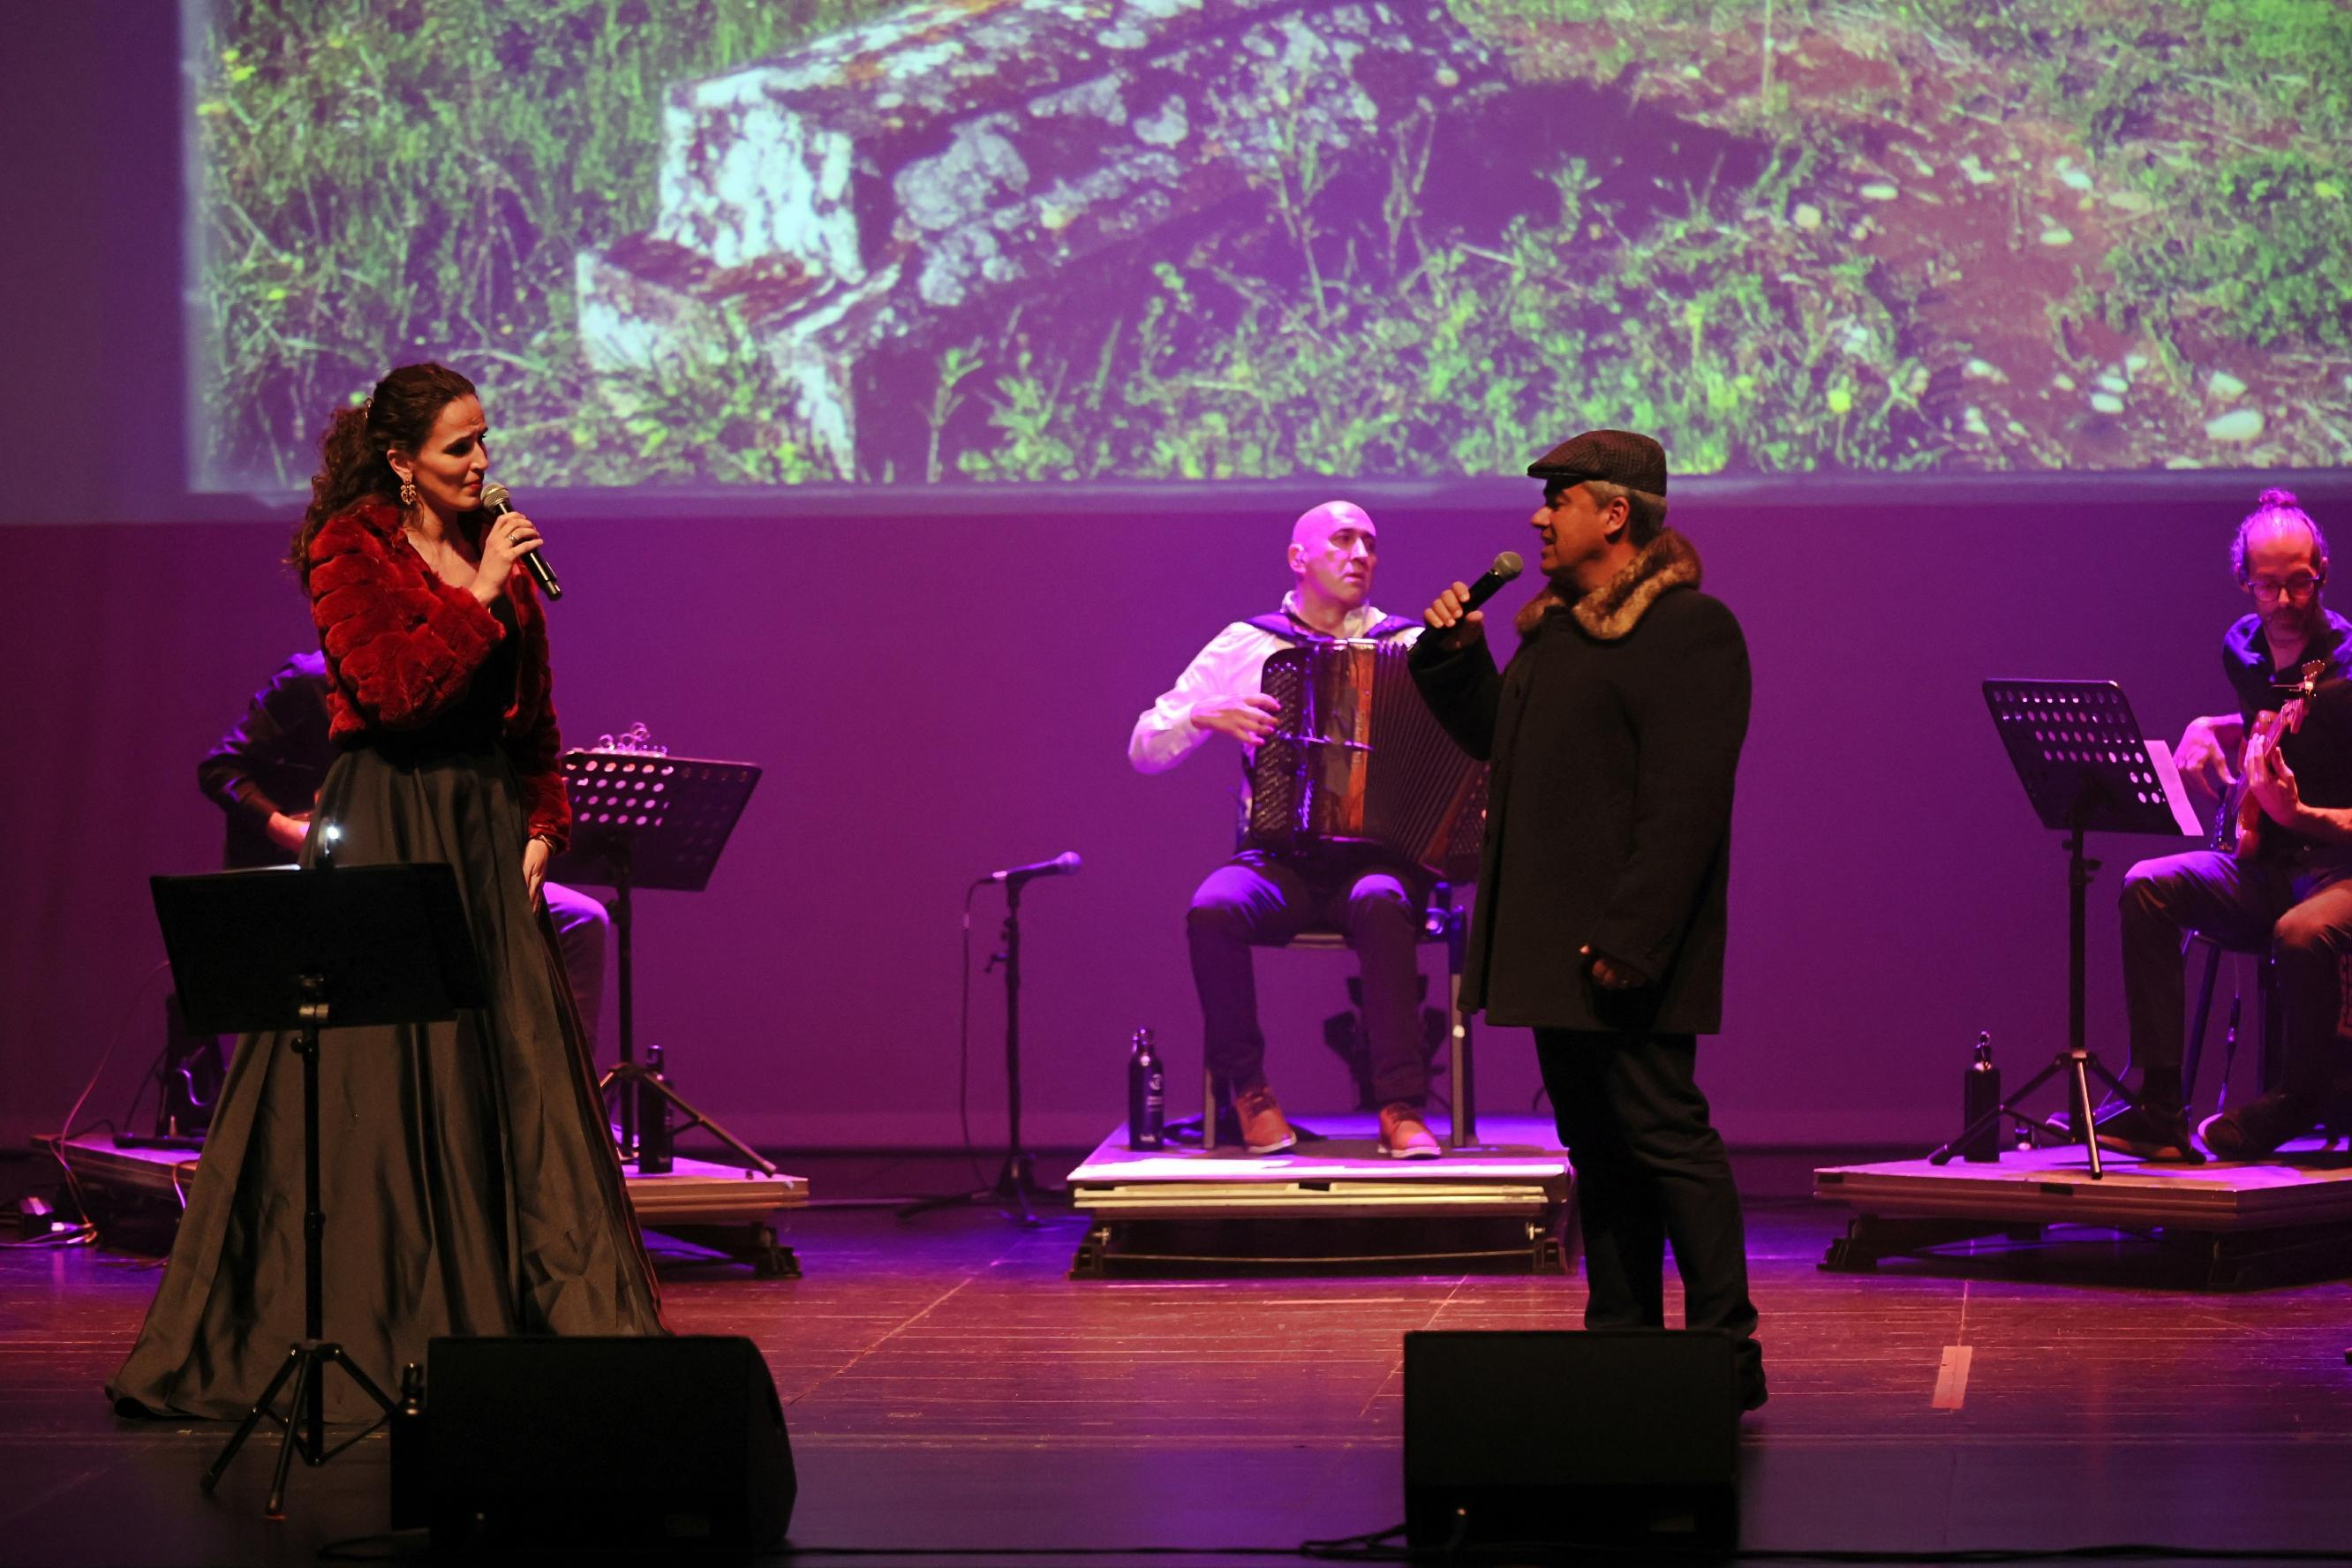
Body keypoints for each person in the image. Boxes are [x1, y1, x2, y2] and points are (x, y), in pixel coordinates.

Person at [110, 363, 663, 1421]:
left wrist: (544, 824)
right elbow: (394, 692)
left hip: (482, 826)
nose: (483, 462)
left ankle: (528, 1323)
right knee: (380, 1070)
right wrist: (476, 594)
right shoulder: (349, 549)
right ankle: (391, 1315)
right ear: (402, 461)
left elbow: (535, 720)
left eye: (485, 439)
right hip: (392, 819)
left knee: (507, 1071)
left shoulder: (498, 548)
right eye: (459, 447)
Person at [1412, 429, 1764, 1411]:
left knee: (1663, 1135)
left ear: (1614, 514)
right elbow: (1507, 746)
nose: (1538, 517)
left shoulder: (1689, 630)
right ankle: (1622, 1340)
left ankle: (1726, 1349)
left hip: (1624, 946)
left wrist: (1631, 940)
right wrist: (1455, 657)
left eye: (1558, 500)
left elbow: (1685, 805)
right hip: (1555, 946)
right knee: (1599, 1149)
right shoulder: (1558, 631)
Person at [1129, 501, 1443, 1159]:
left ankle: (1399, 1105)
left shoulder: (1410, 646)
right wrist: (1205, 714)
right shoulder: (1247, 643)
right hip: (1280, 861)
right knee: (1213, 909)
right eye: (1343, 540)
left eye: (1370, 543)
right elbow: (1144, 746)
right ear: (1299, 558)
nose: (1361, 555)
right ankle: (1249, 1092)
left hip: (1378, 861)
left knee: (1382, 899)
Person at [199, 649, 612, 1050]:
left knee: (579, 918)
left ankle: (563, 1084)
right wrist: (289, 831)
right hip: (347, 878)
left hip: (422, 865)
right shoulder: (311, 679)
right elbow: (221, 768)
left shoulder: (446, 690)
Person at [2109, 488, 2352, 1163]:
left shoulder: (2347, 666)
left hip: (2339, 872)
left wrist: (2299, 815)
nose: (2285, 600)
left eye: (2300, 581)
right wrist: (2212, 725)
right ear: (2243, 580)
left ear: (2323, 573)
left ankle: (2298, 1101)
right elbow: (2274, 714)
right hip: (2268, 867)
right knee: (2147, 886)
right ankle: (2161, 1105)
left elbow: (2316, 707)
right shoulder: (2241, 648)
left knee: (2302, 933)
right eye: (2267, 584)